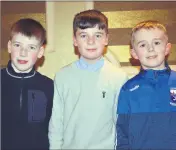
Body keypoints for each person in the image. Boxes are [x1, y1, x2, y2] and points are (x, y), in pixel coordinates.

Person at [48, 9, 128, 149]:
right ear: (74, 40)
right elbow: (56, 123)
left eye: (98, 35)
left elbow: (121, 124)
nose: (91, 41)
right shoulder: (62, 76)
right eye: (83, 35)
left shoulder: (119, 77)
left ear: (106, 39)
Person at [115, 20, 176, 150]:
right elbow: (122, 134)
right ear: (134, 54)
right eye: (143, 45)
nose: (150, 48)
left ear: (167, 48)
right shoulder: (128, 89)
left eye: (156, 43)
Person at [1, 18, 54, 150]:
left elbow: (54, 130)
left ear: (40, 52)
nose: (23, 53)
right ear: (9, 46)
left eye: (31, 47)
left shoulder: (49, 87)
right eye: (17, 45)